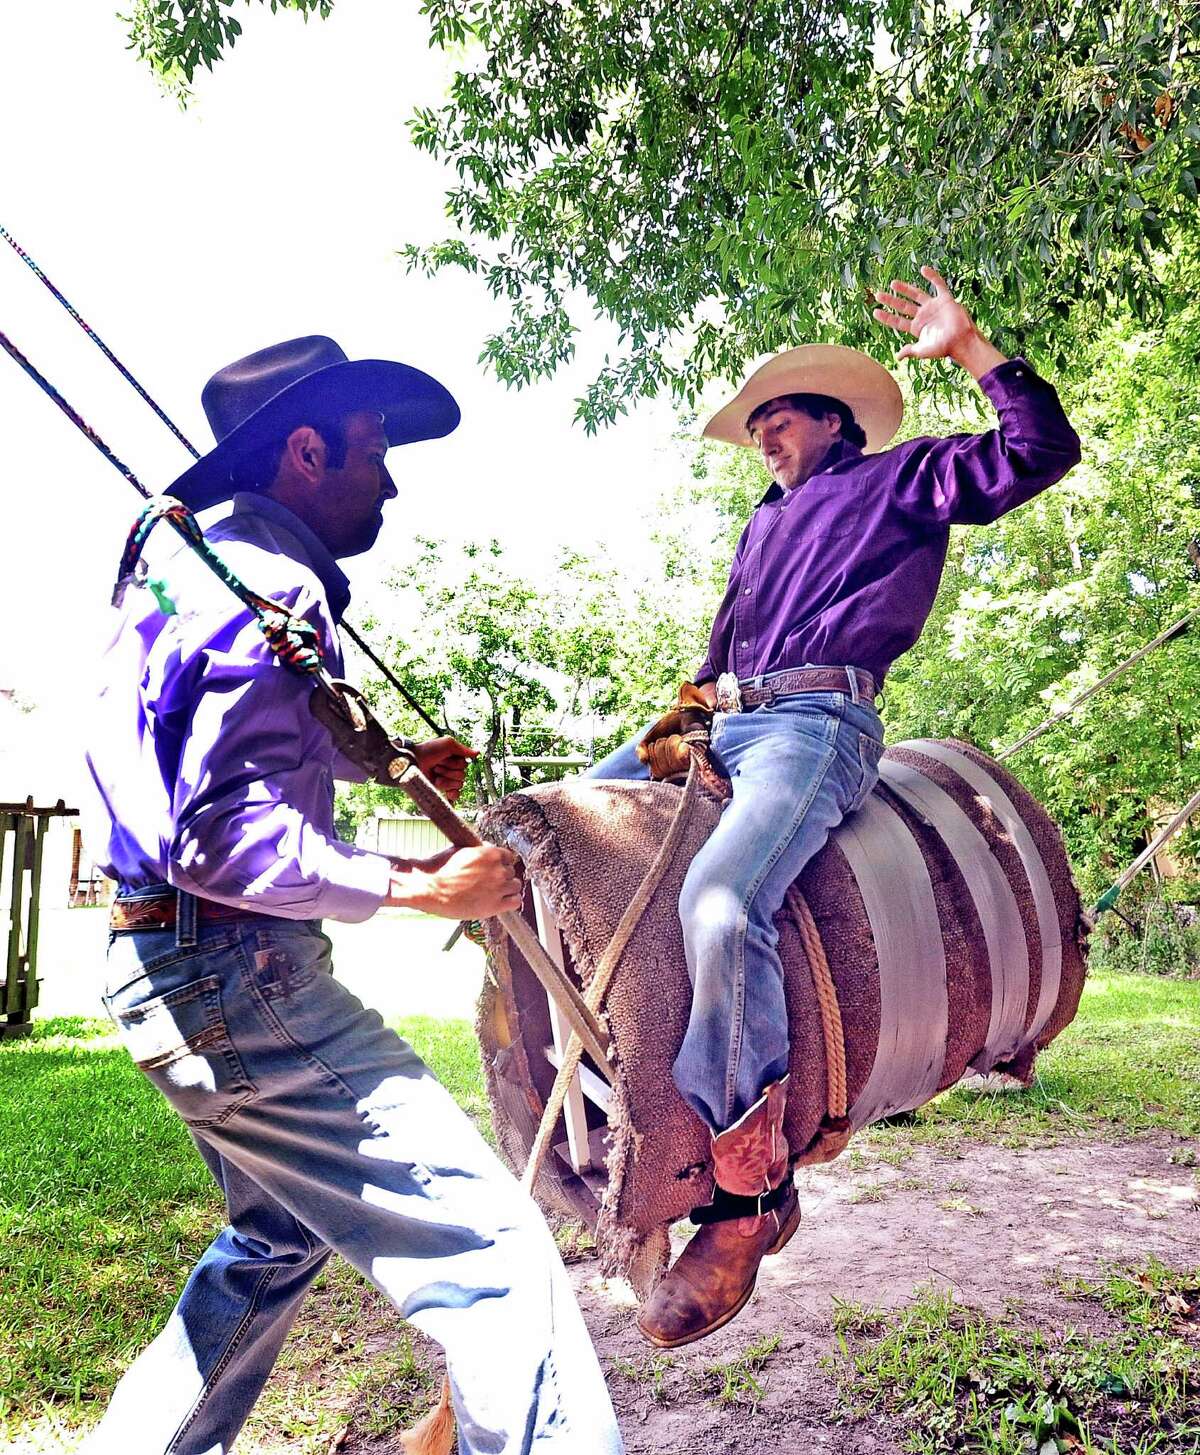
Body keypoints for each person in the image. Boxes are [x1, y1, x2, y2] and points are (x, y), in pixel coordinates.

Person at [84, 336, 624, 1454]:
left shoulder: (188, 571)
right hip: (240, 971)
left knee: (276, 1232)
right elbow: (217, 835)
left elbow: (201, 757)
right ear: (306, 448)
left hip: (165, 969)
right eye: (375, 452)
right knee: (494, 1258)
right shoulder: (270, 583)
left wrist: (363, 760)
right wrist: (426, 885)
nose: (389, 481)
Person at [588, 267, 1082, 1349]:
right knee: (562, 824)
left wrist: (971, 349)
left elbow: (1040, 454)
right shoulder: (763, 525)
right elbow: (726, 650)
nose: (763, 437)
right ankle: (596, 1096)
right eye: (753, 424)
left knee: (720, 906)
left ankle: (747, 1193)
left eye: (778, 417)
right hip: (722, 722)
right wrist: (682, 716)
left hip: (818, 729)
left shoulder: (903, 480)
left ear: (833, 418)